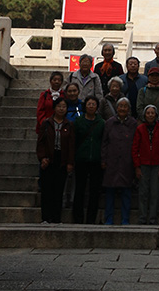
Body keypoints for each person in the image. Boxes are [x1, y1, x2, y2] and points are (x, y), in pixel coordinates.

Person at [36, 97, 74, 224]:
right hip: (48, 159)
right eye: (59, 106)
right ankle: (45, 217)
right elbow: (40, 143)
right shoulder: (47, 123)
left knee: (59, 189)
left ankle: (56, 217)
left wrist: (70, 162)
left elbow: (71, 145)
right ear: (54, 108)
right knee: (47, 189)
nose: (61, 109)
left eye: (64, 106)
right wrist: (42, 158)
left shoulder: (69, 124)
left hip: (62, 159)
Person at [100, 97, 137, 226]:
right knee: (110, 191)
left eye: (125, 106)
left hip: (127, 161)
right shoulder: (109, 122)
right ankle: (108, 218)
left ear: (129, 109)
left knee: (126, 191)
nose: (122, 108)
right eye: (120, 106)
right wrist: (103, 159)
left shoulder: (133, 123)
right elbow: (104, 142)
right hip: (111, 161)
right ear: (116, 108)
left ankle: (125, 219)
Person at [132, 104, 159, 225]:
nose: (150, 115)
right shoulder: (140, 129)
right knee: (143, 192)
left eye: (152, 113)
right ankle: (142, 218)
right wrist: (137, 166)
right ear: (144, 115)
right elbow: (135, 148)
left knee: (155, 193)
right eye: (148, 113)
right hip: (143, 164)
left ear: (156, 115)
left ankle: (153, 218)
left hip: (157, 164)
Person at [72, 96, 105, 224]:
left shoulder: (101, 122)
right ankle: (78, 218)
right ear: (85, 106)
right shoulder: (78, 121)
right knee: (79, 189)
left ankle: (91, 218)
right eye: (89, 104)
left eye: (93, 104)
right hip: (81, 158)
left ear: (97, 107)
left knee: (94, 191)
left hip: (96, 160)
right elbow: (74, 140)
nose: (91, 106)